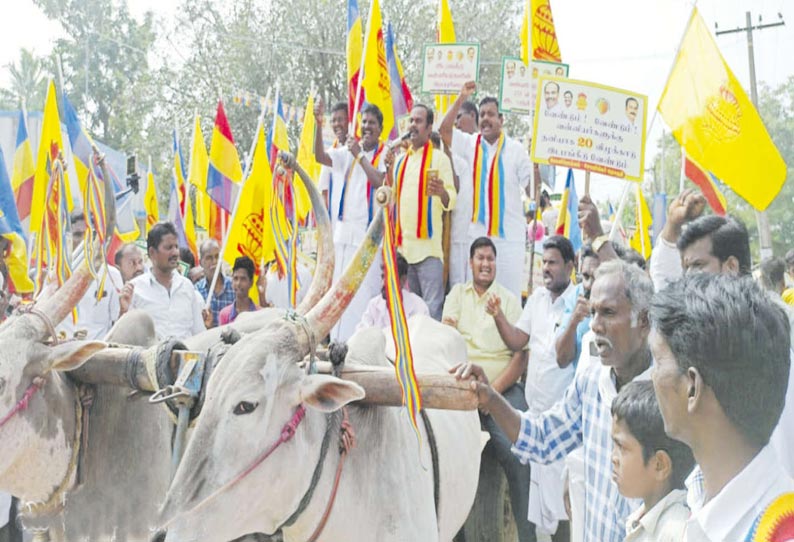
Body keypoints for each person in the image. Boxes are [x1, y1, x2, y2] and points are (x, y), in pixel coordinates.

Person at [453, 260, 655, 541]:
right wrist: (490, 396)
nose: (595, 325)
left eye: (608, 313)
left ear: (643, 321)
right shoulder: (591, 381)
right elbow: (543, 438)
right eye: (593, 312)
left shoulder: (668, 396)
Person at [647, 192, 794, 478]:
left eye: (698, 267)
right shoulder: (712, 329)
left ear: (731, 267)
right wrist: (672, 226)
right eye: (685, 269)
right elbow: (663, 281)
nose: (688, 279)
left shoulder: (769, 329)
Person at [649, 274, 793, 541]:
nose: (652, 378)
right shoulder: (699, 495)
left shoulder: (781, 533)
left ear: (692, 386)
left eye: (657, 362)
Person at [442, 237, 535, 541]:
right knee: (446, 454)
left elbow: (521, 356)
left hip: (502, 391)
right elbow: (446, 339)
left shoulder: (508, 300)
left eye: (490, 259)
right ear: (470, 263)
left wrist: (492, 393)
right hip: (463, 391)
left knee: (516, 453)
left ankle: (527, 535)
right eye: (480, 258)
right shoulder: (457, 294)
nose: (485, 263)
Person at [486, 235, 577, 538]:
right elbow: (516, 341)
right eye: (543, 262)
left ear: (570, 266)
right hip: (534, 416)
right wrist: (498, 315)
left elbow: (565, 360)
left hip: (562, 425)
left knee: (560, 505)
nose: (546, 268)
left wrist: (575, 320)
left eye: (552, 263)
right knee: (539, 508)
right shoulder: (537, 298)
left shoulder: (578, 304)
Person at [440, 81, 533, 297]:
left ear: (501, 120)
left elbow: (532, 192)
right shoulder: (471, 144)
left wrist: (535, 168)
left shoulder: (516, 150)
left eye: (491, 114)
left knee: (507, 299)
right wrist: (461, 97)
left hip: (509, 238)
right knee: (477, 297)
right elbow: (444, 130)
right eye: (481, 114)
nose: (485, 119)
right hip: (478, 236)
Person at [314, 100, 387, 341]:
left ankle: (358, 347)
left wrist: (360, 156)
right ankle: (336, 343)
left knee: (363, 295)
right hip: (343, 238)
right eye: (363, 122)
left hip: (369, 240)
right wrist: (318, 124)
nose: (367, 127)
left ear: (380, 128)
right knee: (340, 294)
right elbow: (320, 156)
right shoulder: (346, 151)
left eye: (372, 123)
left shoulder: (386, 152)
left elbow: (379, 181)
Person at [389, 104, 455, 320]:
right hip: (404, 250)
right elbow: (391, 197)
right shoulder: (400, 161)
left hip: (428, 250)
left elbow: (451, 200)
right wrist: (388, 169)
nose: (413, 125)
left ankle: (426, 355)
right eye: (411, 121)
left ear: (429, 128)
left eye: (418, 121)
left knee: (430, 311)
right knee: (406, 312)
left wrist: (441, 192)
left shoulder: (439, 159)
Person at [611, 381, 695, 542]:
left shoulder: (677, 531)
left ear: (659, 465)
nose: (613, 458)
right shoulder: (643, 517)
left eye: (621, 447)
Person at [123, 222, 206, 340]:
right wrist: (123, 311)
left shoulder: (187, 286)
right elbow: (127, 338)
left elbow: (199, 333)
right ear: (152, 252)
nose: (175, 253)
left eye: (176, 247)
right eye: (168, 247)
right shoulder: (135, 289)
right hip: (149, 357)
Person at [448, 100, 479, 288]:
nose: (456, 123)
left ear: (472, 116)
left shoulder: (489, 147)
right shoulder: (457, 146)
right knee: (457, 288)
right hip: (459, 231)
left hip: (483, 232)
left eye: (460, 117)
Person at [357, 253, 428, 331]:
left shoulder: (418, 306)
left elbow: (424, 338)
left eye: (390, 278)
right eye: (383, 277)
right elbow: (361, 336)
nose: (384, 283)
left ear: (403, 280)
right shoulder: (374, 305)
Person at [555, 245, 599, 368]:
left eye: (597, 278)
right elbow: (562, 360)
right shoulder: (576, 295)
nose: (589, 285)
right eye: (585, 277)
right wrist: (573, 321)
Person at [314, 100, 349, 216]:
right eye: (333, 121)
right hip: (335, 225)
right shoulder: (332, 152)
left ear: (350, 120)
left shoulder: (359, 150)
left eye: (340, 119)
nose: (336, 124)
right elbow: (324, 192)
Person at [194, 239, 235, 328]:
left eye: (217, 257)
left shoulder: (234, 287)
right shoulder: (196, 291)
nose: (214, 261)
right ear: (201, 262)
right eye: (209, 258)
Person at [218, 256, 261, 325]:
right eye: (235, 278)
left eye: (243, 279)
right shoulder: (225, 315)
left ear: (251, 282)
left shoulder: (259, 314)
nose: (238, 283)